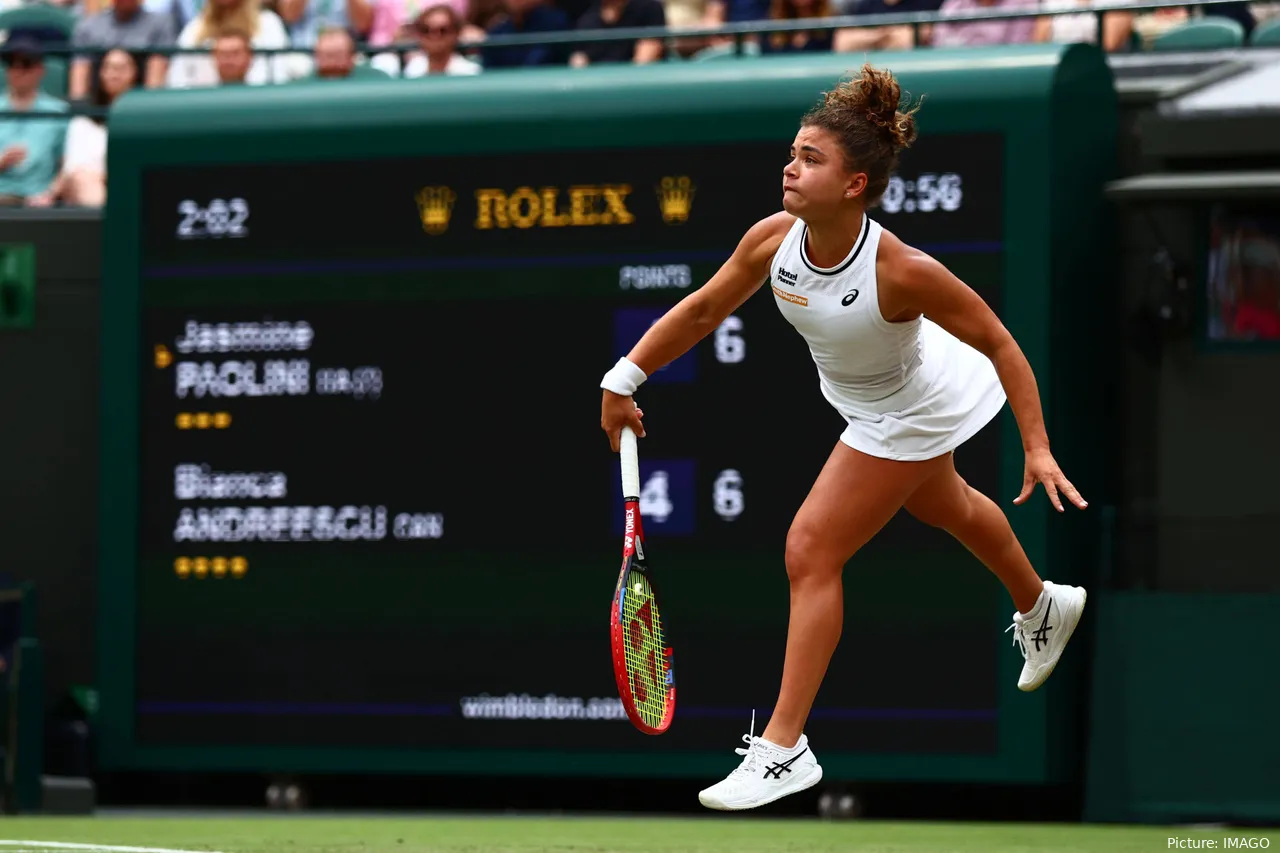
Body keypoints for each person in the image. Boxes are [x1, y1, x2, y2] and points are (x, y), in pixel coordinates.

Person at [597, 63, 1089, 812]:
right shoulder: (773, 241)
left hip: (911, 403)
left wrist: (1039, 445)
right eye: (792, 154)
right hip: (867, 398)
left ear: (855, 184)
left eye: (811, 160)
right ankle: (1041, 602)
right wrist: (624, 376)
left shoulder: (903, 269)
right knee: (946, 505)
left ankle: (784, 746)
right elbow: (701, 312)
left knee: (810, 547)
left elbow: (999, 340)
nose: (790, 169)